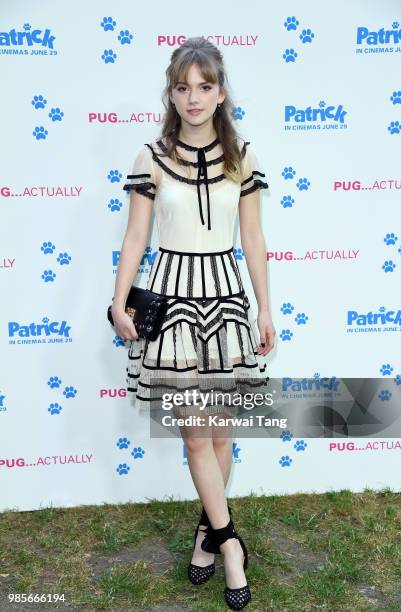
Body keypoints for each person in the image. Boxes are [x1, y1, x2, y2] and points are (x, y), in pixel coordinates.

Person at [111, 36, 275, 610]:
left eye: (204, 86)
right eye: (183, 87)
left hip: (227, 304)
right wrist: (117, 301)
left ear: (221, 92)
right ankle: (231, 544)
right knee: (197, 433)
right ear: (171, 93)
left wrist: (265, 307)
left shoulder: (243, 157)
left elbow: (253, 239)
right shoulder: (150, 157)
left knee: (222, 434)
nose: (193, 97)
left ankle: (207, 532)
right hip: (175, 307)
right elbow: (135, 237)